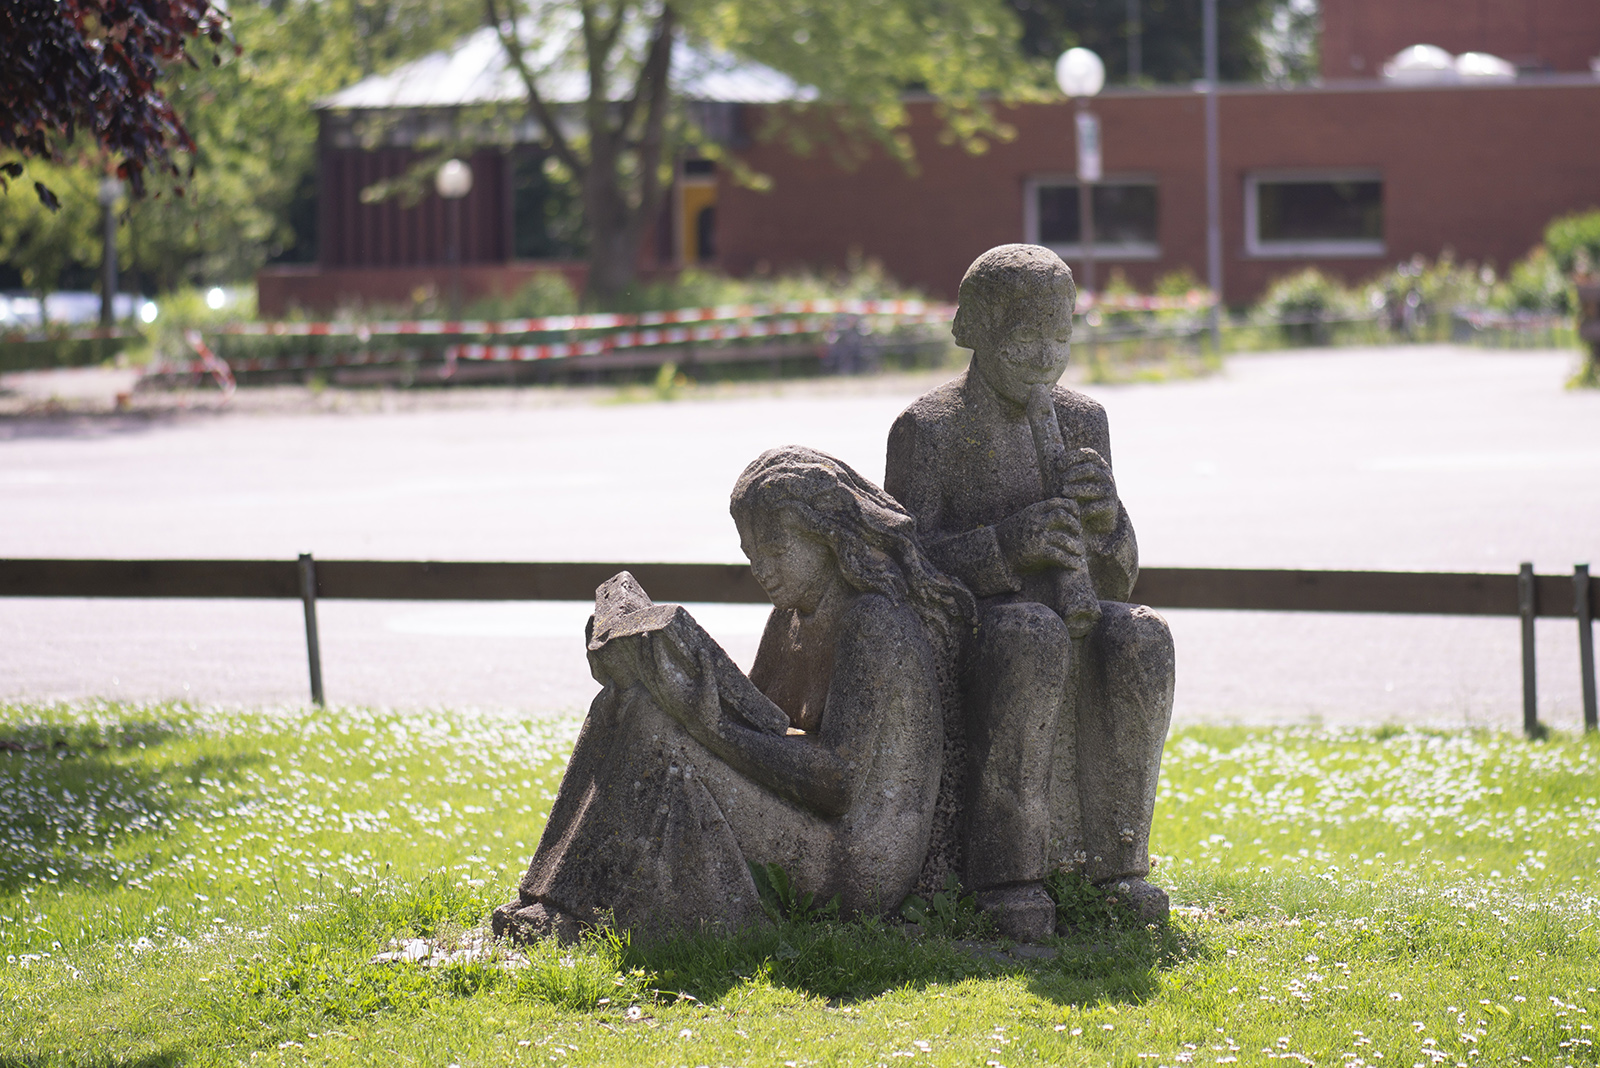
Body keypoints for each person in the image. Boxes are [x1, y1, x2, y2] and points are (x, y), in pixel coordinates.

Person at [493, 445, 972, 942]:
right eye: (751, 554)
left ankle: (569, 913)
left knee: (653, 728)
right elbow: (761, 718)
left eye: (775, 550)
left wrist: (711, 728)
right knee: (626, 701)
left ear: (825, 536)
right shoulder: (788, 619)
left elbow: (836, 781)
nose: (761, 569)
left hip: (856, 860)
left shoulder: (872, 622)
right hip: (816, 820)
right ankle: (544, 897)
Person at [885, 244, 1175, 941]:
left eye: (1061, 338)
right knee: (1029, 634)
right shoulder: (930, 428)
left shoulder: (1082, 421)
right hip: (981, 629)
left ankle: (1117, 866)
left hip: (1064, 610)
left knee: (1142, 636)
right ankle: (1007, 876)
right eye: (1024, 340)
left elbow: (1119, 574)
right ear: (973, 331)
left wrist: (1106, 525)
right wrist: (1006, 549)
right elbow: (907, 568)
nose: (1046, 358)